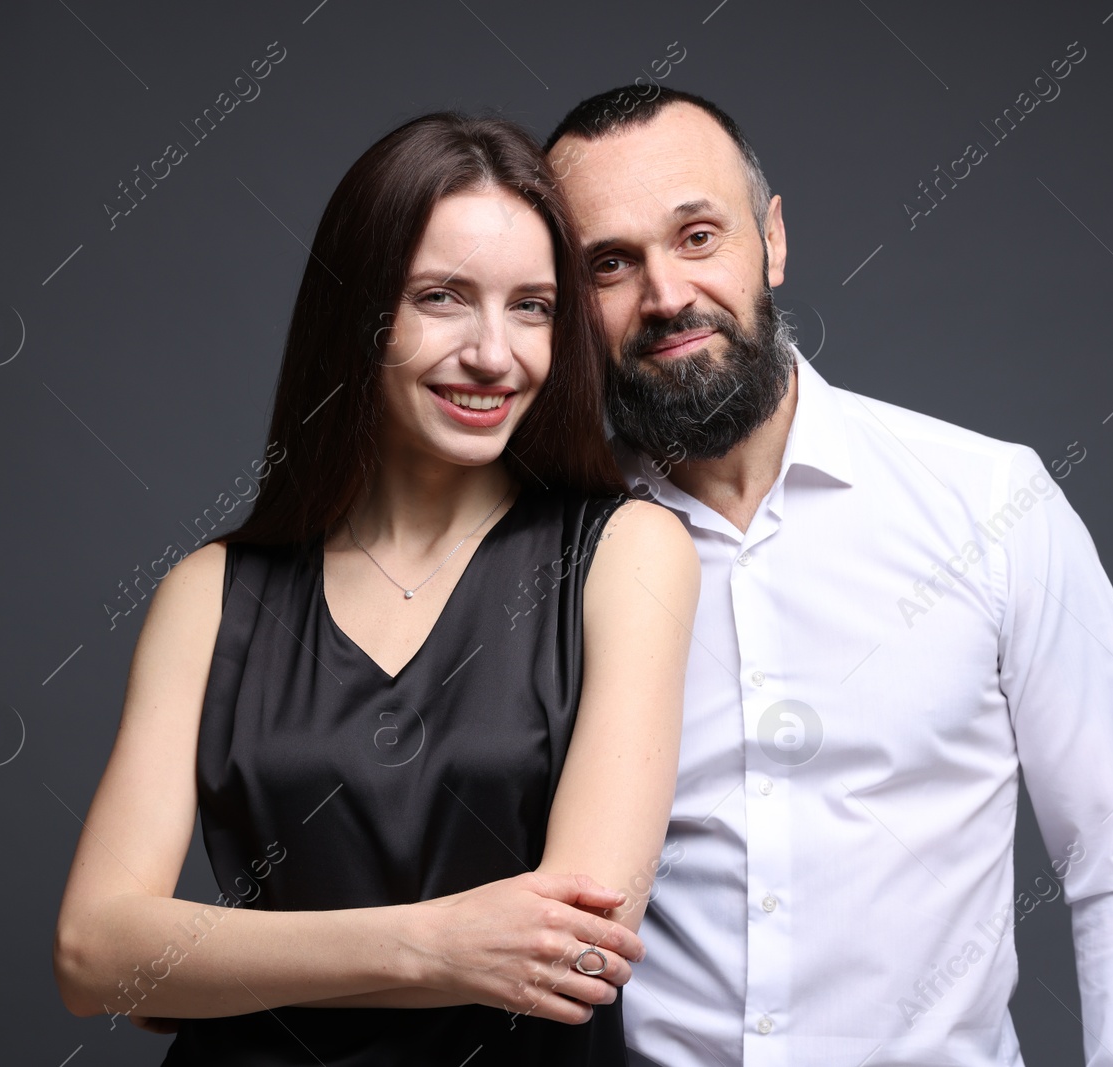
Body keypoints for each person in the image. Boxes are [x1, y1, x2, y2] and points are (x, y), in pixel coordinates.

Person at [542, 87, 1113, 1066]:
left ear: (771, 240)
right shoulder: (544, 553)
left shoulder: (993, 503)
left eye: (697, 235)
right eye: (610, 263)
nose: (665, 294)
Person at [51, 111, 700, 1066]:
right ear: (361, 314)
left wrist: (220, 962)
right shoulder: (213, 591)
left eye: (532, 306)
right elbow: (93, 953)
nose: (494, 353)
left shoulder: (628, 551)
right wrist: (434, 945)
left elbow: (576, 948)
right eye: (443, 297)